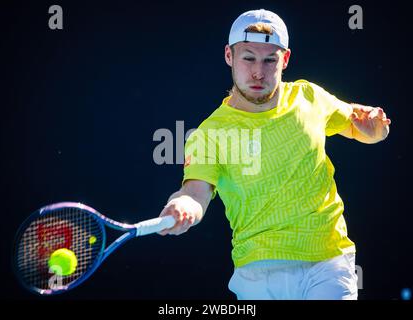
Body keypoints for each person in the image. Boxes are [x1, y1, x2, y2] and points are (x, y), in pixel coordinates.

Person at [158, 8, 391, 300]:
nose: (258, 71)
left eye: (270, 60)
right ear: (229, 56)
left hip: (328, 261)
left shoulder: (310, 97)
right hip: (258, 269)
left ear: (285, 59)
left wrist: (377, 129)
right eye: (248, 58)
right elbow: (195, 191)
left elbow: (363, 128)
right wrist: (182, 206)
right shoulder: (210, 133)